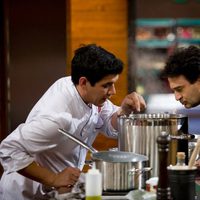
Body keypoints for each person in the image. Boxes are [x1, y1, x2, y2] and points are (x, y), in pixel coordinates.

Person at [0, 44, 146, 200]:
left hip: (58, 191)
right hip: (26, 194)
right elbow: (9, 150)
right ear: (83, 82)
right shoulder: (57, 119)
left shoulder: (87, 93)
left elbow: (108, 122)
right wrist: (53, 179)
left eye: (113, 83)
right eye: (106, 85)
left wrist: (124, 111)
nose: (113, 92)